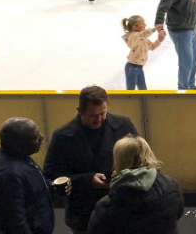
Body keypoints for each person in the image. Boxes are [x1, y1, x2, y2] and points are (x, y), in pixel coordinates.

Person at [45, 86, 138, 234]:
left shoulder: (124, 125)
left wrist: (124, 172)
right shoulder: (62, 137)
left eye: (103, 113)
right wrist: (88, 180)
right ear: (79, 110)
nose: (99, 119)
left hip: (122, 208)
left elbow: (140, 158)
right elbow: (52, 175)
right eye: (93, 116)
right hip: (83, 214)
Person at [87, 136, 184, 234]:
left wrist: (118, 183)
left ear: (118, 162)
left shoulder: (106, 207)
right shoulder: (171, 186)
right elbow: (178, 213)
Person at [0, 118, 55, 234]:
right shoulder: (10, 175)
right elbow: (15, 222)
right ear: (19, 145)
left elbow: (28, 188)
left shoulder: (18, 156)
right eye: (35, 137)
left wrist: (50, 186)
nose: (42, 138)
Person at [122, 15, 166, 91]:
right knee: (130, 90)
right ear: (135, 27)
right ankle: (129, 102)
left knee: (143, 89)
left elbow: (152, 47)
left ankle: (143, 102)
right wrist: (154, 29)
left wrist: (159, 40)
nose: (145, 25)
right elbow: (142, 35)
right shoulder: (133, 37)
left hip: (139, 67)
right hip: (131, 67)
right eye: (143, 23)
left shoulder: (143, 38)